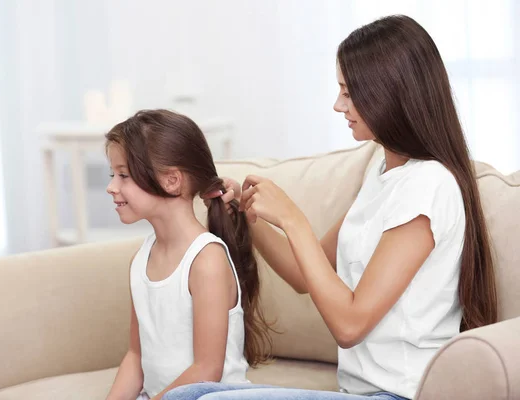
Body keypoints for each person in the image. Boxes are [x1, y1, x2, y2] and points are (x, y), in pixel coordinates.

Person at [163, 14, 498, 400]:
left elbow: (350, 325)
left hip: (400, 394)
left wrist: (292, 218)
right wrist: (246, 212)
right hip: (357, 392)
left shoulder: (428, 185)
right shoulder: (383, 171)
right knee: (192, 395)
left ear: (389, 93)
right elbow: (303, 276)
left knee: (193, 399)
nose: (338, 105)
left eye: (348, 92)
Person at [104, 110, 272, 400]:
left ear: (172, 180)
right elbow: (135, 357)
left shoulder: (206, 261)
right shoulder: (141, 260)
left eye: (123, 175)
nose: (111, 187)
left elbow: (206, 371)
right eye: (112, 175)